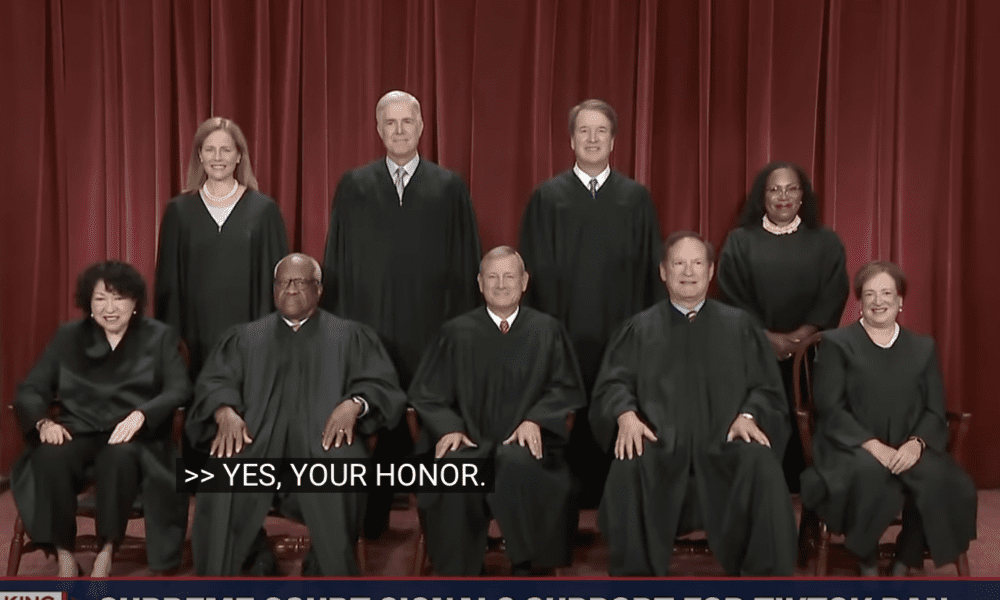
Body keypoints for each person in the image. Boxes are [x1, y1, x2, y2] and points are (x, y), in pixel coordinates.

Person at [322, 90, 482, 536]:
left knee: (428, 420)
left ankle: (437, 525)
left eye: (406, 122)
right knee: (374, 415)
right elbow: (337, 260)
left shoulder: (448, 187)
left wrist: (462, 330)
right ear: (378, 129)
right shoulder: (354, 186)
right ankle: (370, 521)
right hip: (369, 327)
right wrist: (339, 330)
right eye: (389, 123)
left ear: (421, 127)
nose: (398, 130)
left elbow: (466, 262)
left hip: (430, 328)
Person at [186, 253, 406, 576]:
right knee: (224, 469)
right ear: (273, 289)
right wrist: (224, 410)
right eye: (283, 282)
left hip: (325, 439)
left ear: (319, 289)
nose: (290, 288)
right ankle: (250, 556)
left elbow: (381, 384)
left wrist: (355, 403)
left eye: (300, 282)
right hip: (256, 438)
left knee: (343, 467)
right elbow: (216, 381)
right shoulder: (245, 338)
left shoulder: (349, 336)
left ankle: (326, 563)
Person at [592, 232, 796, 576]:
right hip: (659, 443)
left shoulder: (739, 326)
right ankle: (635, 579)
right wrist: (625, 415)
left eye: (697, 263)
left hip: (725, 442)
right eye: (679, 263)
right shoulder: (639, 329)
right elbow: (613, 383)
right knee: (629, 463)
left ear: (711, 270)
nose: (688, 271)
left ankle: (764, 579)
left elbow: (766, 387)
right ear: (663, 271)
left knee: (760, 462)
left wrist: (748, 416)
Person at [519, 98, 663, 506]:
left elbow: (653, 271)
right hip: (562, 331)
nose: (593, 139)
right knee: (566, 407)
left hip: (622, 333)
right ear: (571, 140)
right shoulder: (547, 199)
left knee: (619, 404)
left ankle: (616, 502)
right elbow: (529, 274)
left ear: (614, 141)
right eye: (584, 130)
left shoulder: (636, 199)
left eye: (601, 131)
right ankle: (564, 504)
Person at [408, 246, 585, 575]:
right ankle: (460, 572)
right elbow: (427, 394)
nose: (501, 284)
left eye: (509, 277)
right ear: (480, 283)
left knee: (521, 465)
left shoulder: (547, 330)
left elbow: (565, 388)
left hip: (525, 443)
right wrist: (449, 428)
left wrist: (536, 420)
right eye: (492, 277)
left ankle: (528, 566)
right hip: (469, 441)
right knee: (455, 472)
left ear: (524, 281)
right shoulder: (455, 333)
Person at [12, 261, 190, 577]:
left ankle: (106, 552)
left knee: (118, 458)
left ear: (134, 302)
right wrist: (43, 422)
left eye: (118, 298)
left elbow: (179, 388)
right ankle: (64, 554)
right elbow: (31, 389)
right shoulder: (68, 336)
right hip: (78, 430)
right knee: (49, 456)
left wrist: (142, 414)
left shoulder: (158, 336)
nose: (109, 308)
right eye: (100, 299)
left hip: (132, 436)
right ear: (88, 303)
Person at [800, 261, 977, 576]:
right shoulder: (838, 344)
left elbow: (934, 408)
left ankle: (906, 556)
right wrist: (873, 446)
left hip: (909, 442)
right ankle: (866, 556)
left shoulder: (923, 347)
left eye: (886, 293)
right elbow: (830, 408)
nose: (878, 301)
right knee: (867, 474)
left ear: (900, 300)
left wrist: (916, 444)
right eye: (870, 294)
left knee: (941, 478)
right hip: (851, 445)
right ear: (860, 301)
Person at [717, 161, 849, 490]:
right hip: (752, 353)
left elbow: (834, 293)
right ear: (762, 197)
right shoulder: (739, 241)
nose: (783, 196)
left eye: (791, 189)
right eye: (774, 190)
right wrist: (768, 339)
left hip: (811, 359)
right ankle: (759, 492)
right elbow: (730, 294)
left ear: (803, 196)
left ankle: (808, 495)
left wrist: (801, 338)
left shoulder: (826, 242)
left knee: (808, 425)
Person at [156, 116, 289, 379]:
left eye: (226, 149)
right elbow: (168, 288)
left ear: (239, 156)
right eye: (210, 149)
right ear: (200, 156)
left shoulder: (264, 211)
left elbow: (278, 286)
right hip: (194, 345)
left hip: (251, 346)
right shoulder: (178, 212)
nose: (218, 157)